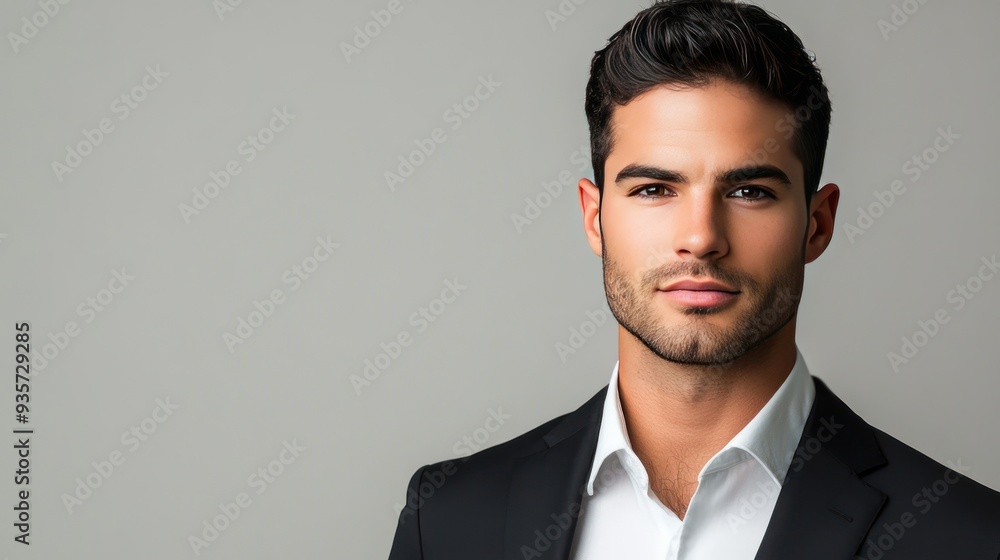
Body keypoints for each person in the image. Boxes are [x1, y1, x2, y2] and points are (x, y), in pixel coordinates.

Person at [387, 1, 1000, 558]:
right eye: (655, 189)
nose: (701, 237)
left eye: (749, 191)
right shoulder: (446, 521)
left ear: (817, 224)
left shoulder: (968, 538)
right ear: (595, 218)